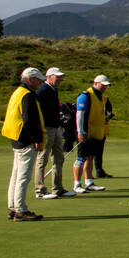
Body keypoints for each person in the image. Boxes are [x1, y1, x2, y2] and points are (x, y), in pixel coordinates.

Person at [3, 68, 46, 222]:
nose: (40, 83)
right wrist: (37, 139)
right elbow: (29, 120)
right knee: (23, 176)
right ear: (29, 79)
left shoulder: (18, 92)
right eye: (38, 80)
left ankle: (13, 207)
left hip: (17, 138)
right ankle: (20, 210)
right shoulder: (27, 95)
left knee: (16, 175)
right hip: (26, 139)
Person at [34, 67, 75, 199]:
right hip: (46, 129)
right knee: (43, 159)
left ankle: (57, 188)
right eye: (58, 77)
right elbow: (37, 111)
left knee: (58, 158)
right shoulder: (43, 90)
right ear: (49, 76)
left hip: (56, 128)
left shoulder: (53, 90)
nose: (60, 79)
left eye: (61, 77)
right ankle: (40, 190)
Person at [73, 75, 112, 194]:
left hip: (97, 133)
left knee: (90, 157)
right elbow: (80, 115)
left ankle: (89, 182)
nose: (105, 87)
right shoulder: (86, 96)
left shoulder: (103, 97)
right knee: (81, 158)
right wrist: (80, 132)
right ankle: (77, 184)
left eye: (106, 85)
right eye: (103, 84)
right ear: (95, 83)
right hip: (85, 133)